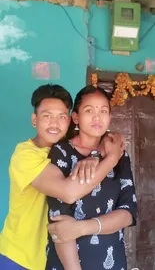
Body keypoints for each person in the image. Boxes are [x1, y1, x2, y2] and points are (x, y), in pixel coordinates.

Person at [0, 84, 124, 270]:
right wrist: (112, 158)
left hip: (53, 259)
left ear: (70, 120)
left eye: (61, 117)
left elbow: (108, 136)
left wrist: (98, 152)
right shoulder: (26, 154)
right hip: (20, 257)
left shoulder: (68, 151)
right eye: (47, 116)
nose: (54, 123)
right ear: (34, 120)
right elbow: (68, 192)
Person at [46, 85, 137, 270]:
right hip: (69, 264)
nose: (97, 117)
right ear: (76, 117)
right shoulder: (61, 152)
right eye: (89, 110)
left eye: (103, 111)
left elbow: (128, 212)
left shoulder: (119, 155)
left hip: (112, 260)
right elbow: (59, 224)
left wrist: (83, 227)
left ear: (110, 118)